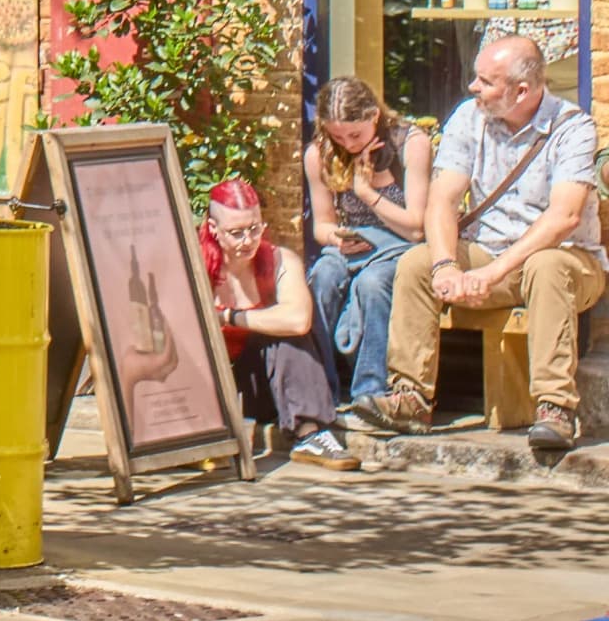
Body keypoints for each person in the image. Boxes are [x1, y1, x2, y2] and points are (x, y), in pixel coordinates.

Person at [364, 25, 604, 458]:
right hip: (489, 253)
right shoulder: (468, 117)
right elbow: (442, 199)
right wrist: (445, 266)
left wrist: (491, 272)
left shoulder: (574, 128)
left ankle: (554, 408)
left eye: (486, 82)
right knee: (415, 264)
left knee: (546, 266)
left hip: (566, 261)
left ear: (523, 90)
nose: (473, 87)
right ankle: (411, 399)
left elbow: (563, 218)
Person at [201, 173, 347, 459]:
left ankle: (310, 435)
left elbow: (297, 320)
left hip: (266, 386)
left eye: (255, 229)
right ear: (213, 228)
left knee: (285, 336)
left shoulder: (280, 260)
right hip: (212, 384)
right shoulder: (195, 262)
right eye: (237, 232)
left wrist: (229, 317)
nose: (248, 240)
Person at [305, 76, 424, 408]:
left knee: (372, 285)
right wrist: (337, 238)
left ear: (374, 116)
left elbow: (416, 229)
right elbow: (322, 224)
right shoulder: (319, 154)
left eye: (355, 134)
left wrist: (365, 193)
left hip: (398, 247)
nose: (348, 143)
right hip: (352, 246)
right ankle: (318, 391)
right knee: (323, 278)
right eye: (337, 135)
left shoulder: (409, 143)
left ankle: (369, 391)